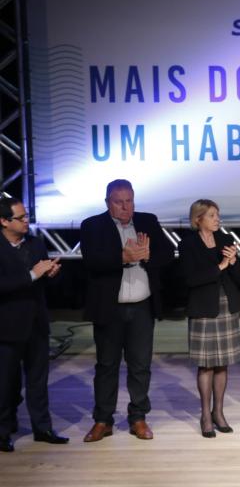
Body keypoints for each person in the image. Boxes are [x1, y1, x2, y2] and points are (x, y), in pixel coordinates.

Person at [81, 179, 173, 442]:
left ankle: (138, 418)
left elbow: (167, 254)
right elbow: (91, 261)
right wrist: (123, 258)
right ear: (107, 202)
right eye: (119, 202)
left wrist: (147, 255)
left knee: (140, 365)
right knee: (107, 365)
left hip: (142, 307)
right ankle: (103, 420)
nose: (125, 207)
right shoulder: (93, 225)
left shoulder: (148, 221)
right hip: (110, 308)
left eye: (129, 201)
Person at [0, 197, 68, 452]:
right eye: (21, 217)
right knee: (5, 383)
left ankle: (43, 428)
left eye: (27, 216)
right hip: (7, 327)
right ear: (4, 221)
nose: (27, 220)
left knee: (38, 381)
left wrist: (50, 275)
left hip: (36, 324)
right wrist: (32, 274)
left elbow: (42, 283)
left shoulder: (35, 244)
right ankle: (3, 431)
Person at [179, 199, 240, 438]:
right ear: (198, 220)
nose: (217, 219)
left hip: (226, 305)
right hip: (203, 308)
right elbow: (190, 279)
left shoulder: (226, 240)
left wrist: (234, 262)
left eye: (218, 214)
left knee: (222, 363)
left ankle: (219, 412)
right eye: (212, 215)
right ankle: (205, 415)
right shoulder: (188, 245)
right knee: (205, 364)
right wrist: (220, 266)